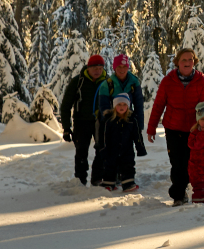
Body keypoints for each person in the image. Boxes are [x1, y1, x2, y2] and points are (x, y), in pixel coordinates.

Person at [148, 48, 204, 206]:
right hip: (173, 128)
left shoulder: (201, 82)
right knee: (177, 163)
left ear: (194, 62)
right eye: (184, 60)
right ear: (177, 62)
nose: (188, 63)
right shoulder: (168, 81)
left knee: (189, 162)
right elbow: (158, 105)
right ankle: (178, 195)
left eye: (190, 60)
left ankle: (189, 188)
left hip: (193, 130)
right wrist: (151, 128)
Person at [59, 55, 109, 185]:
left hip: (101, 123)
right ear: (88, 67)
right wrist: (66, 128)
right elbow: (65, 106)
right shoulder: (78, 82)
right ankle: (80, 179)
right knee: (81, 151)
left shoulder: (108, 82)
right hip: (81, 122)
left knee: (102, 150)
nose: (97, 71)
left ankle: (97, 178)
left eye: (100, 68)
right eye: (95, 68)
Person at [94, 93, 147, 192]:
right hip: (111, 149)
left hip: (127, 150)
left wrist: (140, 148)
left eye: (124, 105)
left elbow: (137, 136)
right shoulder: (108, 120)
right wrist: (102, 149)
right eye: (119, 105)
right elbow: (102, 136)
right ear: (114, 106)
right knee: (110, 166)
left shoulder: (132, 120)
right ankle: (109, 183)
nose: (122, 107)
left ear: (128, 106)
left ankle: (128, 183)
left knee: (128, 166)